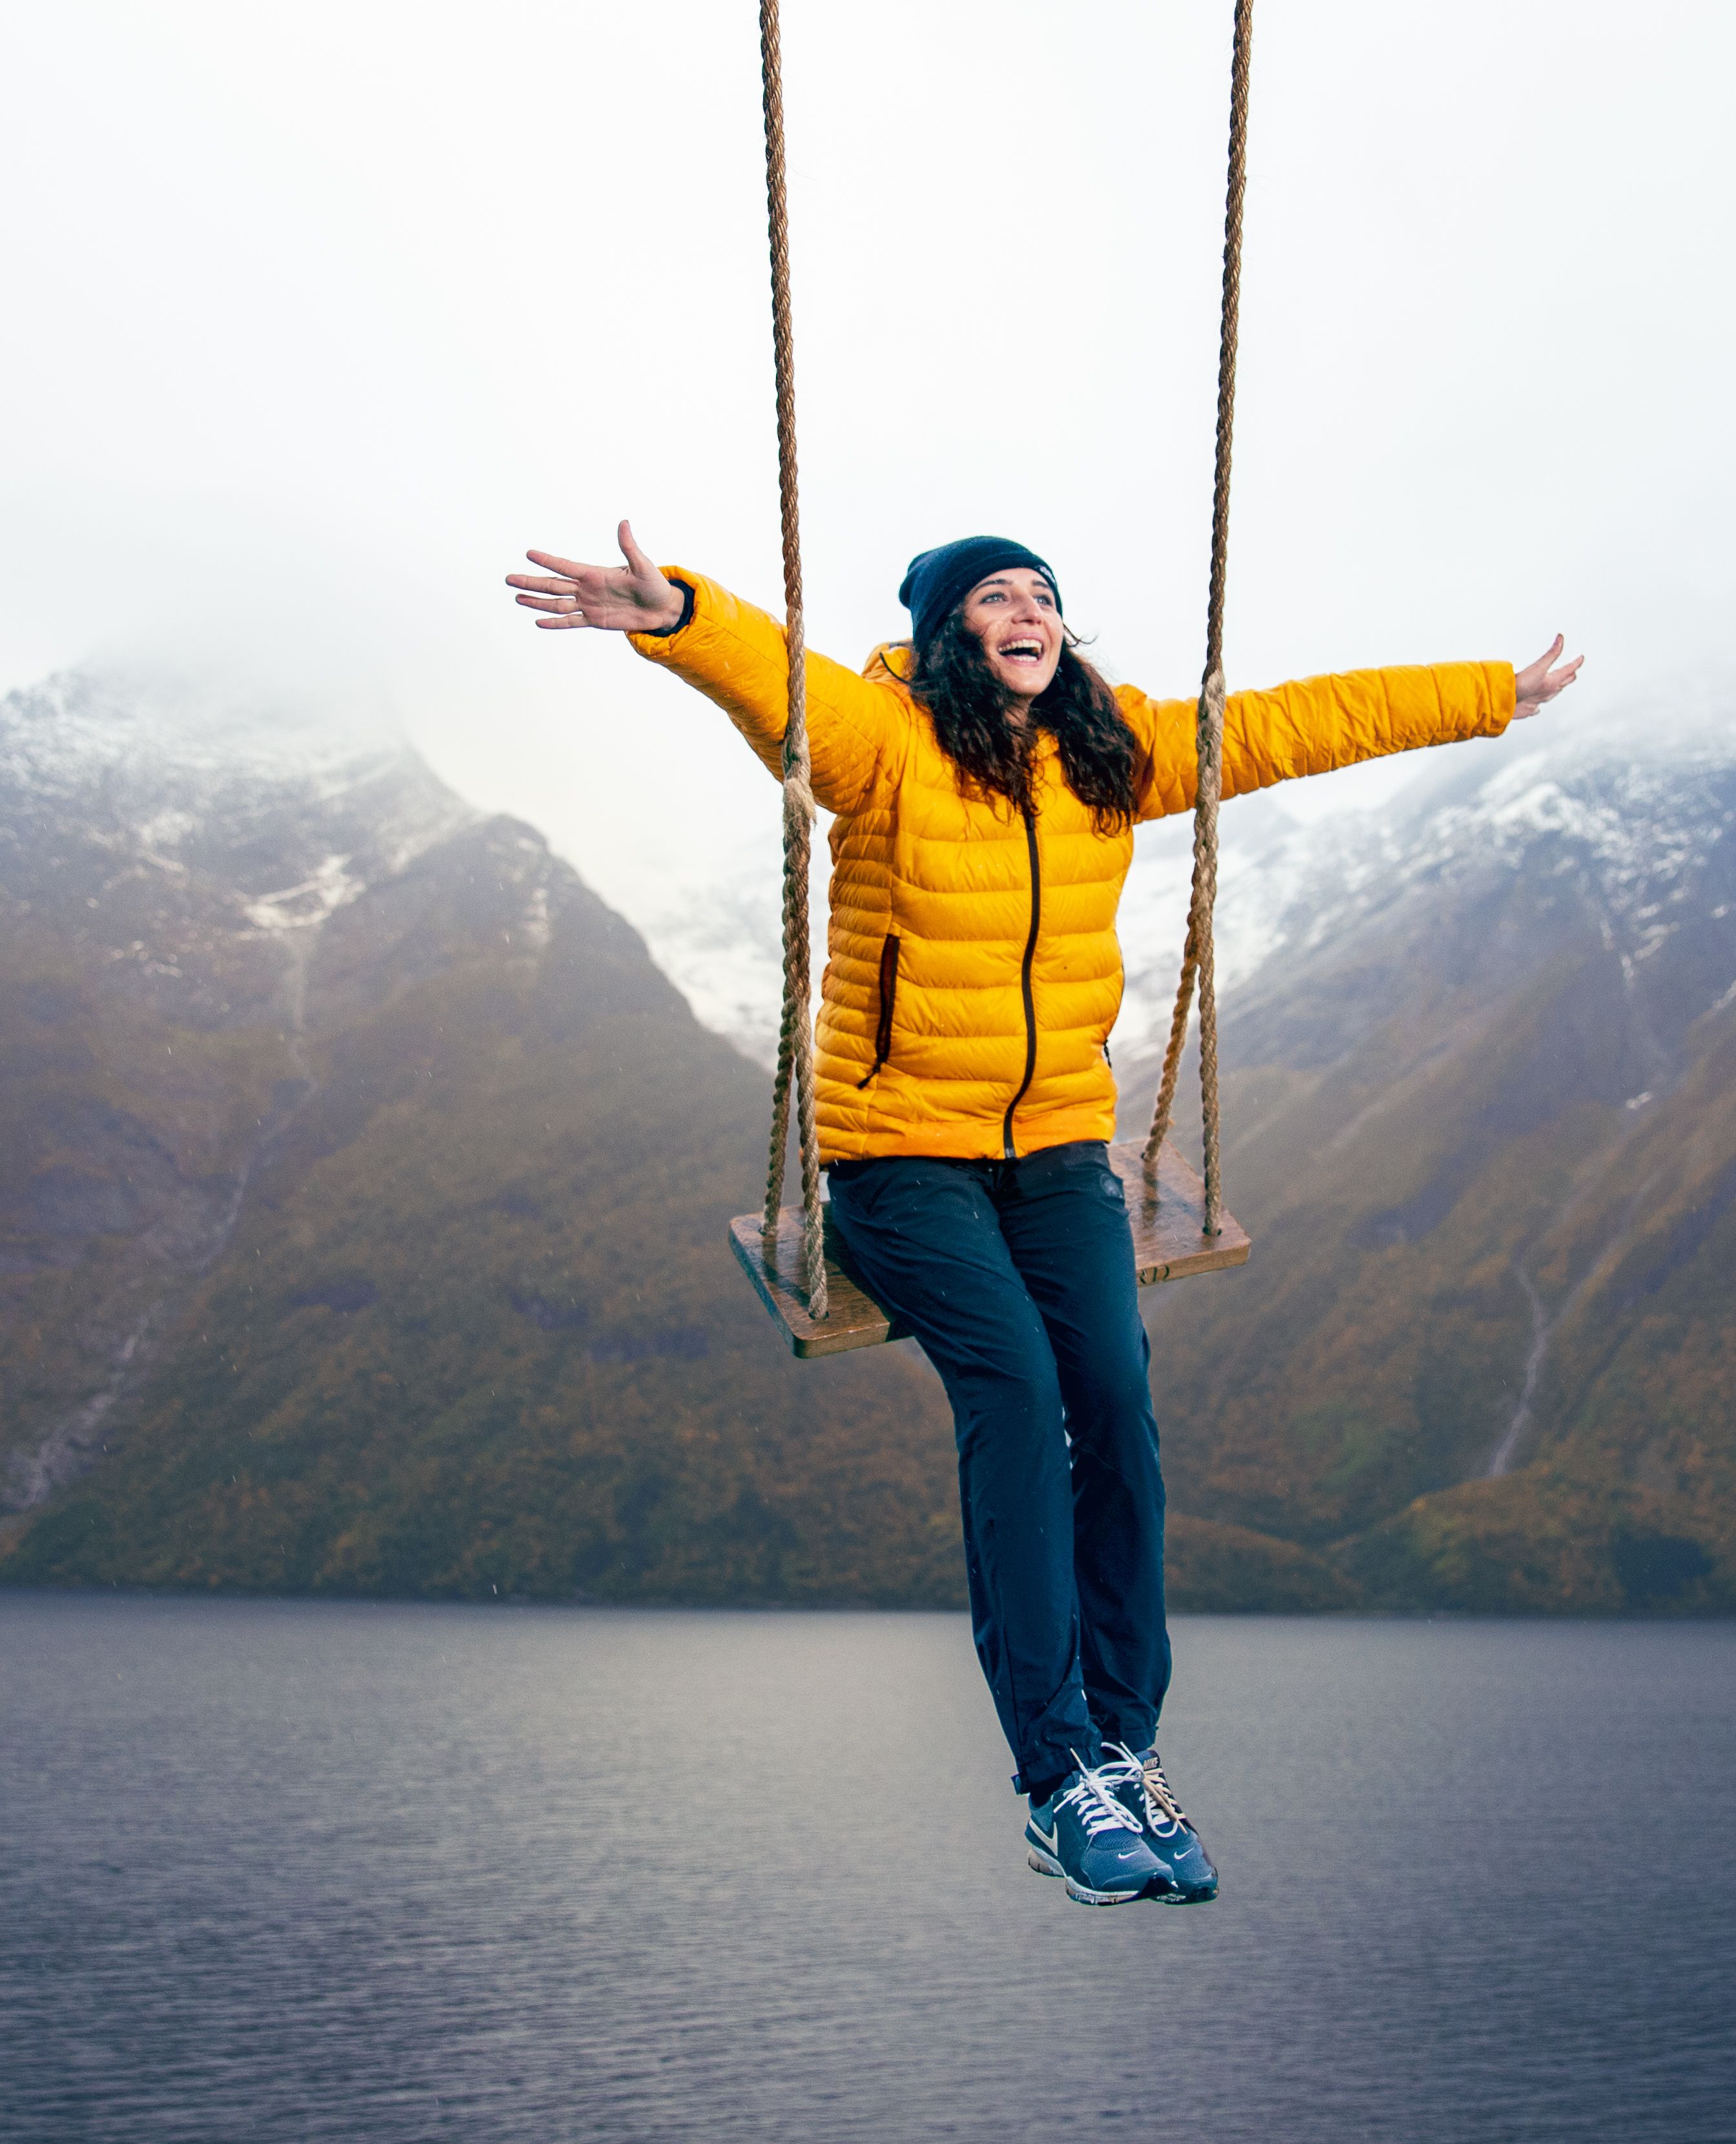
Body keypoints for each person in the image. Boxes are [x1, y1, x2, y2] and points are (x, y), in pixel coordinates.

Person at [507, 521, 1580, 1904]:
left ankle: (1126, 1744)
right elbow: (787, 689)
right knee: (1014, 1390)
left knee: (1118, 1400)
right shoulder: (884, 741)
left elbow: (1300, 724)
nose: (1027, 611)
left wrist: (1492, 692)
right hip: (900, 1158)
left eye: (1044, 597)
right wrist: (681, 616)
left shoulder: (1110, 755)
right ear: (950, 631)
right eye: (994, 597)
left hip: (1059, 1147)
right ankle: (1057, 1772)